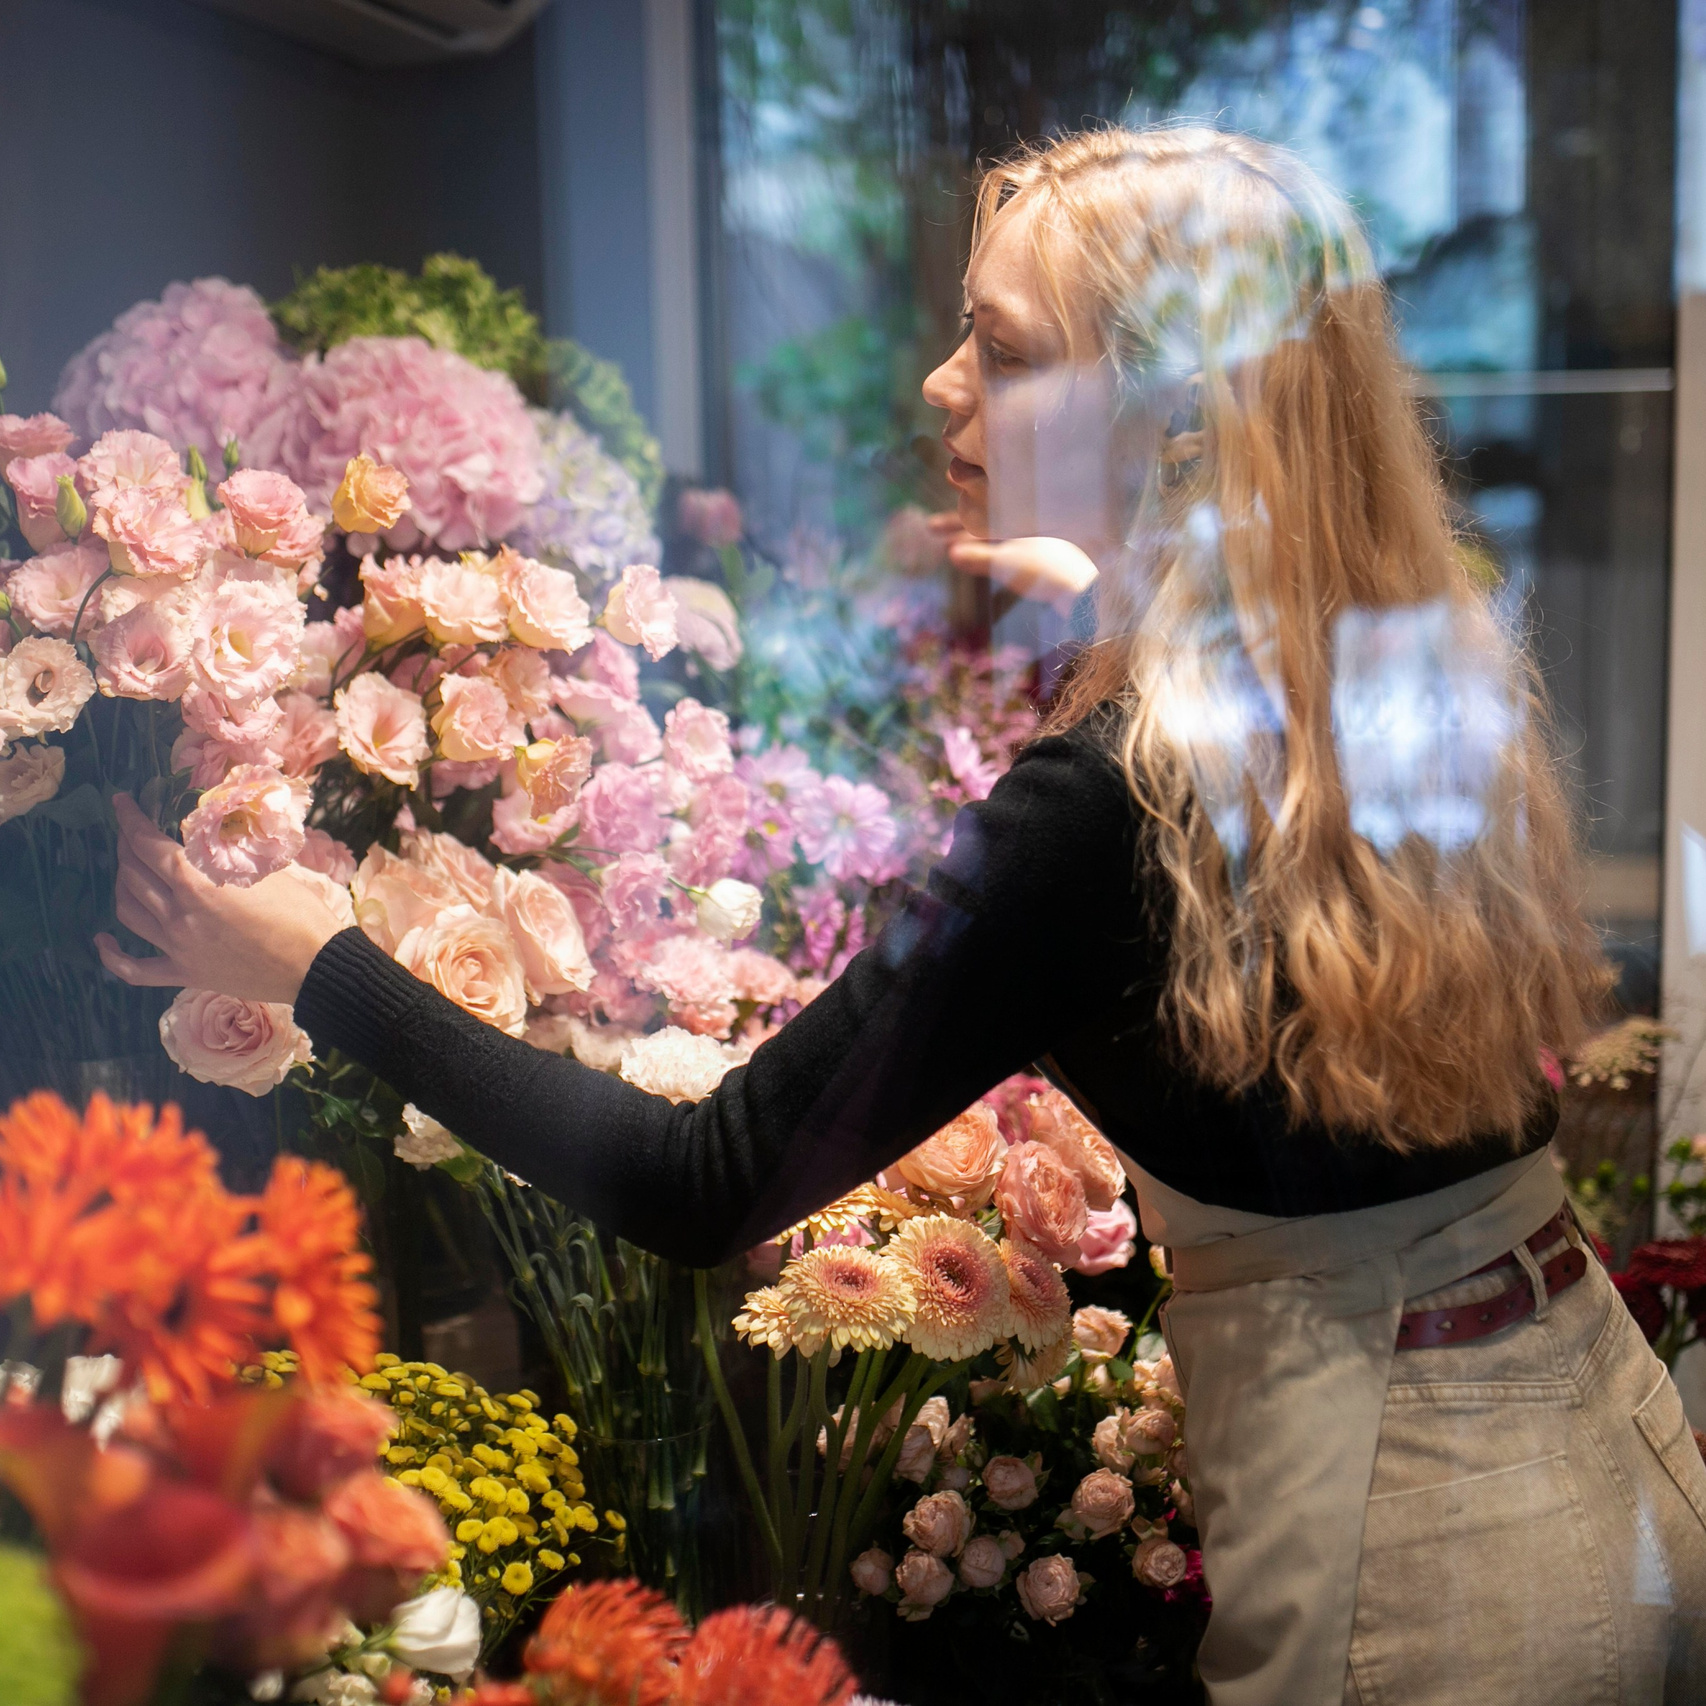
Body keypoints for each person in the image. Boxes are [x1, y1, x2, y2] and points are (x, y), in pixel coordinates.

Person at [99, 126, 1706, 1704]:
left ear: (1172, 420)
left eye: (1003, 351)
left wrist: (321, 964)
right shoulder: (1372, 663)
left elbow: (703, 1177)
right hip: (1596, 1448)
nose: (941, 384)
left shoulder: (1107, 802)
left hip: (1412, 1550)